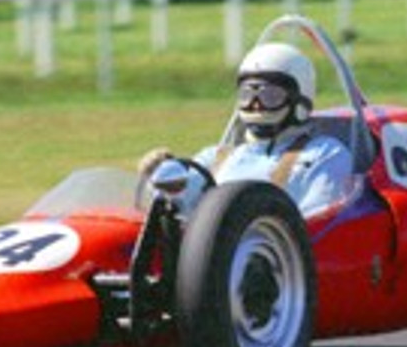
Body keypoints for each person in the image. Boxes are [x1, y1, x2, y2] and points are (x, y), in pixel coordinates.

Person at [140, 42, 355, 218]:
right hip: (209, 262)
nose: (256, 104)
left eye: (269, 96)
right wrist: (159, 178)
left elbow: (322, 223)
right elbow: (174, 212)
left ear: (298, 98)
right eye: (247, 95)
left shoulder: (324, 154)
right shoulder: (215, 158)